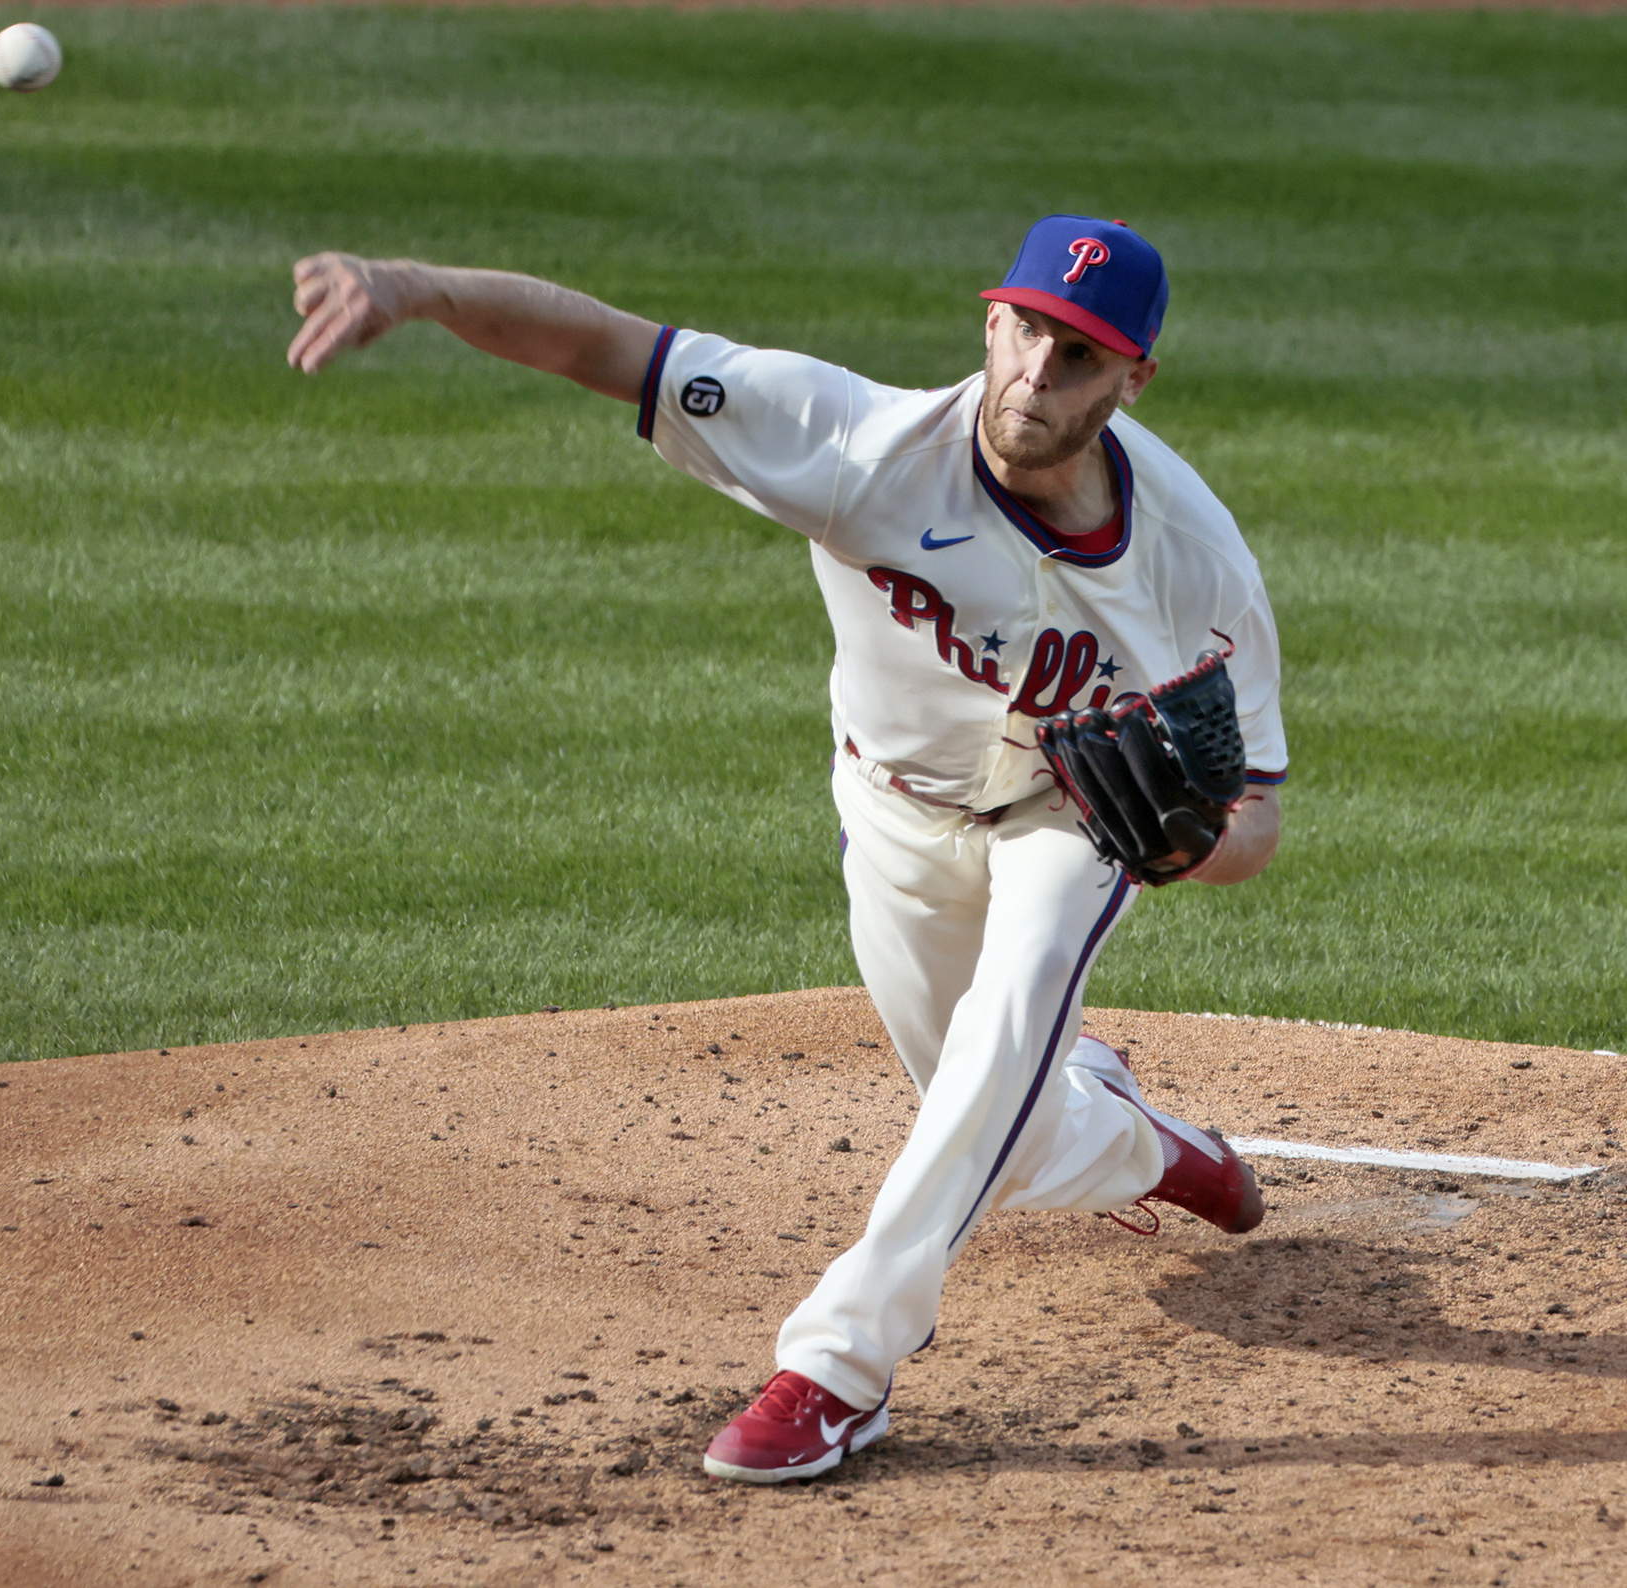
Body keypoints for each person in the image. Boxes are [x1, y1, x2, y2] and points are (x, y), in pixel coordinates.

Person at [285, 217, 1287, 1485]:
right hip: (892, 812)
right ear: (991, 321)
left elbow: (1254, 810)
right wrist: (414, 289)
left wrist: (1187, 846)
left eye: (1078, 353)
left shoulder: (1196, 561)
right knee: (1004, 1128)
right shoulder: (854, 444)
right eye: (1025, 328)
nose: (1038, 371)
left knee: (1007, 1032)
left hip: (1064, 823)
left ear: (1133, 378)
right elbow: (606, 346)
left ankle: (839, 1367)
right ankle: (1149, 1144)